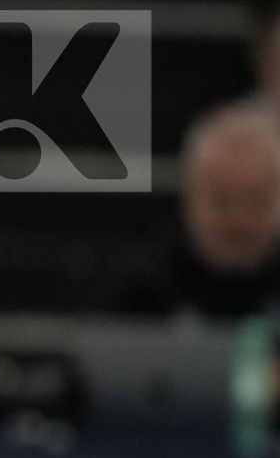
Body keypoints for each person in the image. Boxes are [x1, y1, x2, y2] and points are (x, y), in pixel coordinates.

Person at [119, 102, 280, 318]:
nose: (239, 220)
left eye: (256, 200)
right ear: (189, 198)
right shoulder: (140, 284)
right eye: (221, 201)